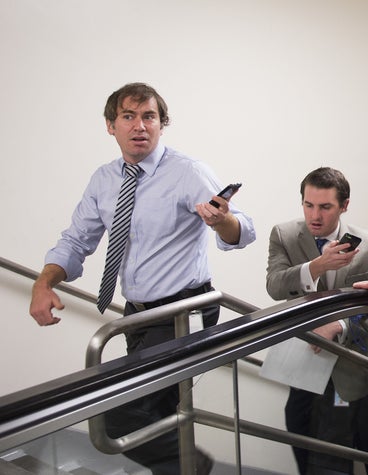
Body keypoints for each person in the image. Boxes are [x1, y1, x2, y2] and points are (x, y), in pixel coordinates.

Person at [29, 82, 256, 474]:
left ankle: (193, 465)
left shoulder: (187, 172)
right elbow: (76, 240)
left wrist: (223, 222)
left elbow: (244, 230)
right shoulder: (103, 180)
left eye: (149, 116)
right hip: (136, 316)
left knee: (118, 417)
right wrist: (43, 282)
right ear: (110, 125)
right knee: (157, 415)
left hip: (184, 312)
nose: (139, 126)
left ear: (161, 124)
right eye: (128, 116)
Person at [265, 167, 368, 474]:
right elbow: (275, 286)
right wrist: (316, 267)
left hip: (348, 360)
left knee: (338, 443)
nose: (314, 215)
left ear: (344, 206)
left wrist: (341, 327)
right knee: (298, 427)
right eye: (308, 205)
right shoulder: (285, 235)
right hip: (301, 359)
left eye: (325, 207)